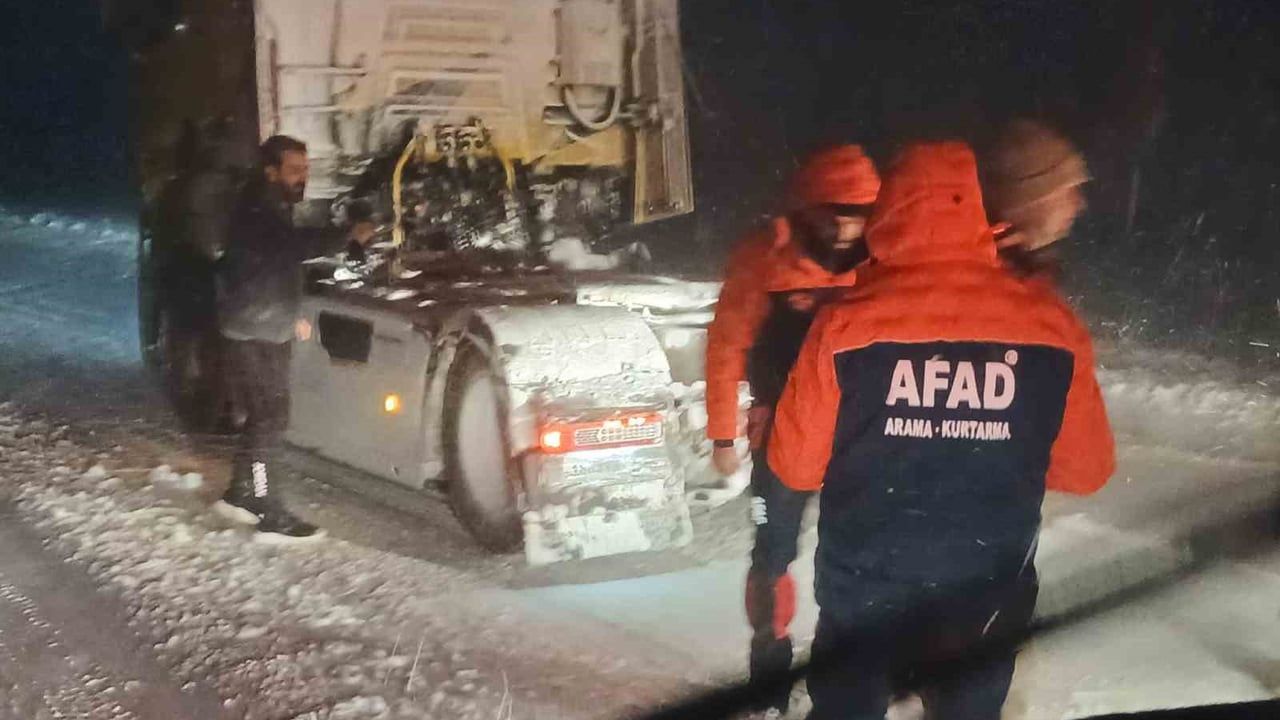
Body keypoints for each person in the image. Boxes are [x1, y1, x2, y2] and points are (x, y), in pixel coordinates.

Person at [768, 141, 1115, 720]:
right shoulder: (1051, 324)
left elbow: (795, 465)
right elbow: (1088, 471)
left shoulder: (846, 322)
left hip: (865, 586)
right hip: (985, 591)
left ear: (889, 216)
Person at [704, 144, 881, 716]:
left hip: (862, 434)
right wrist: (722, 434)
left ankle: (844, 675)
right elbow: (727, 345)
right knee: (772, 554)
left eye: (859, 212)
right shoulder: (765, 261)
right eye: (836, 211)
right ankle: (769, 672)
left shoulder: (884, 261)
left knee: (857, 558)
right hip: (778, 434)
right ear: (807, 207)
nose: (847, 225)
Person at [212, 135, 375, 541]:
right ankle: (269, 512)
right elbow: (293, 246)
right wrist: (347, 236)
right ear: (270, 170)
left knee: (263, 416)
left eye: (306, 169)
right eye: (295, 169)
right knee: (271, 417)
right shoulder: (256, 208)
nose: (303, 177)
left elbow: (280, 259)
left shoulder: (269, 205)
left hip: (265, 323)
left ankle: (238, 494)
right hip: (253, 328)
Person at [979, 119, 1090, 279]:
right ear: (1029, 201)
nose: (1080, 204)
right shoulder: (1000, 288)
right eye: (1069, 191)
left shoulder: (1012, 275)